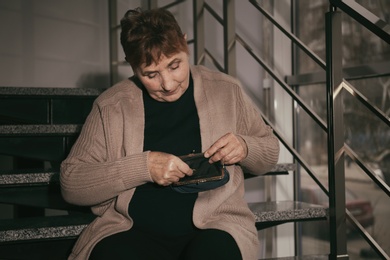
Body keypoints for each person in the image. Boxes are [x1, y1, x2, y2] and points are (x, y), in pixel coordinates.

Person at [60, 7, 279, 260]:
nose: (168, 84)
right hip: (130, 230)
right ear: (132, 66)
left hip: (216, 226)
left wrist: (245, 147)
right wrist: (144, 166)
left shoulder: (226, 90)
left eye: (175, 65)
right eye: (151, 74)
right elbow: (71, 183)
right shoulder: (111, 106)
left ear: (185, 43)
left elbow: (270, 151)